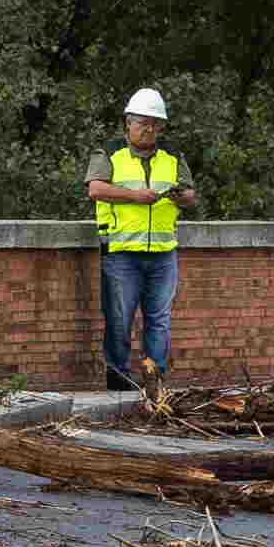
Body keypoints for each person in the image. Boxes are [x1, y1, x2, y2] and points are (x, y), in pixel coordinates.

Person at [89, 87, 188, 390]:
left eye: (155, 124)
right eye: (143, 123)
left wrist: (181, 196)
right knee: (120, 319)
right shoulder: (109, 151)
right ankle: (119, 378)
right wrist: (134, 196)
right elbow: (95, 189)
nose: (149, 130)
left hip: (163, 251)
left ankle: (154, 378)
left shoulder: (172, 155)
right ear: (128, 123)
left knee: (159, 319)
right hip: (121, 250)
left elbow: (190, 193)